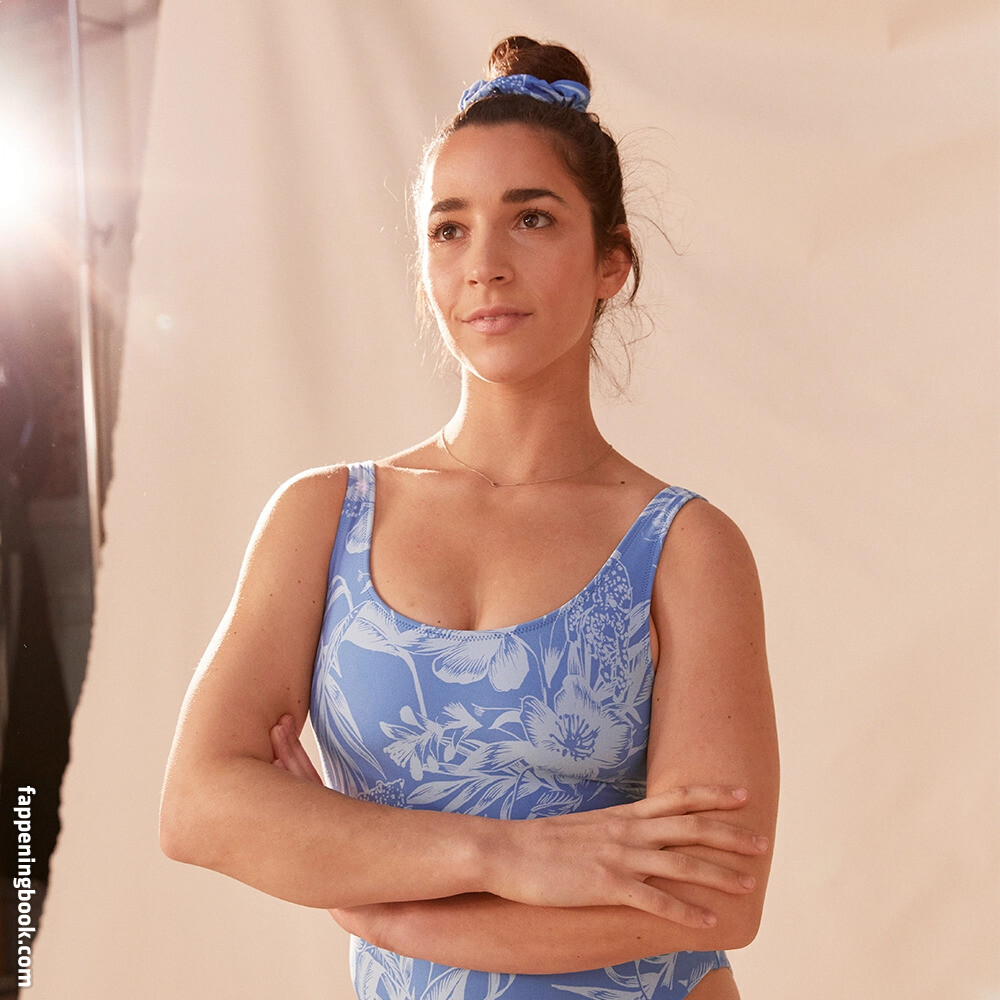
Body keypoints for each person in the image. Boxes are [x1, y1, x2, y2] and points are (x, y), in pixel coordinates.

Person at [160, 35, 779, 1000]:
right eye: (449, 229)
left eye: (531, 218)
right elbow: (200, 804)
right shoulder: (325, 517)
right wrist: (502, 855)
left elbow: (713, 898)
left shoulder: (685, 547)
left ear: (612, 261)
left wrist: (383, 908)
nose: (484, 264)